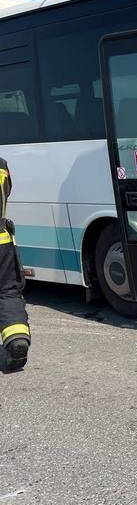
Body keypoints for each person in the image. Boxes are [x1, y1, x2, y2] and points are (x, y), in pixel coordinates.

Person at [0, 158, 29, 373]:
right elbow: (7, 192)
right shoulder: (1, 165)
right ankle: (16, 338)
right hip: (1, 242)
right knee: (7, 292)